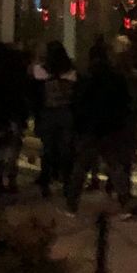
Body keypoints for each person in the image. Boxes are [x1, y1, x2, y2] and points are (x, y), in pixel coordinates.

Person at [67, 38, 136, 213]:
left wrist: (78, 125)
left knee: (81, 167)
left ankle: (72, 203)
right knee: (115, 166)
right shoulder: (116, 78)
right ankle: (125, 201)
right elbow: (124, 102)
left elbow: (77, 103)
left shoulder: (85, 79)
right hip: (110, 127)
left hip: (89, 127)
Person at [33, 41, 77, 201]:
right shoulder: (71, 72)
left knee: (48, 149)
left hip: (49, 113)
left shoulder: (41, 72)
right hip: (66, 113)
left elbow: (36, 92)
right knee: (66, 149)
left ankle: (46, 180)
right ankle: (66, 181)